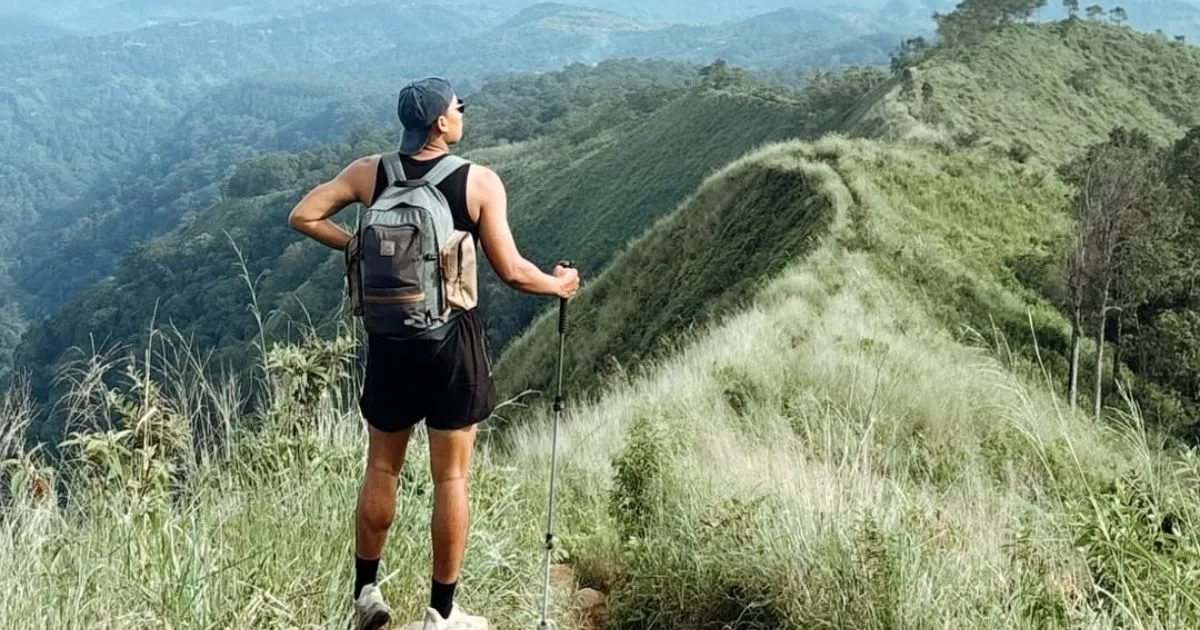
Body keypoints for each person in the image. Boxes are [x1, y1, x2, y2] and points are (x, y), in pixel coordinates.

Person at [287, 76, 580, 630]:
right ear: (442, 123)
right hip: (452, 343)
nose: (462, 113)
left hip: (389, 341)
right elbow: (513, 272)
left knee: (381, 467)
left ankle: (366, 593)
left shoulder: (367, 172)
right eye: (458, 107)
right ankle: (440, 615)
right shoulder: (478, 182)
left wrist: (356, 246)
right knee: (451, 479)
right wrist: (559, 285)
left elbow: (302, 215)